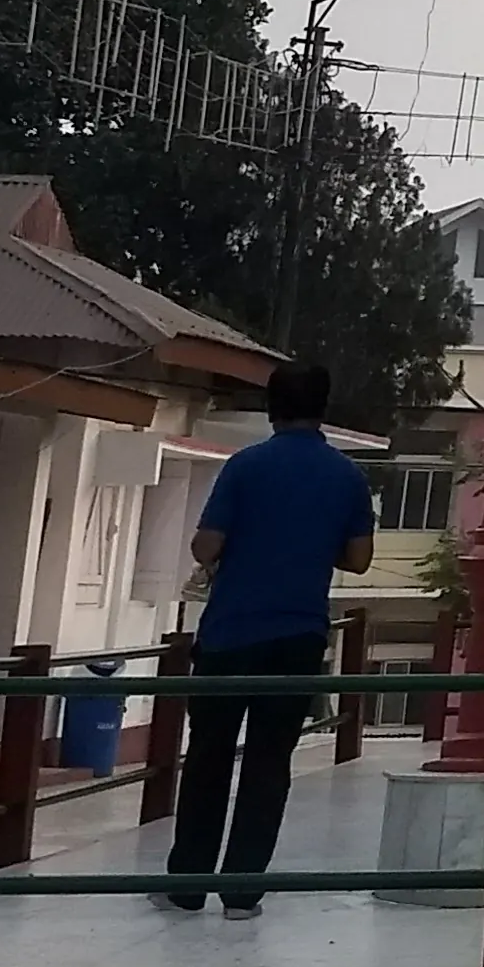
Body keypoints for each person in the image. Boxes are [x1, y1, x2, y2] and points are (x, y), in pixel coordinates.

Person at [165, 361, 374, 916]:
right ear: (324, 408)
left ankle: (187, 887)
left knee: (208, 759)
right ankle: (241, 893)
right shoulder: (347, 476)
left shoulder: (245, 466)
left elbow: (205, 546)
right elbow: (358, 559)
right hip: (299, 635)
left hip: (231, 633)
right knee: (268, 763)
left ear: (270, 408)